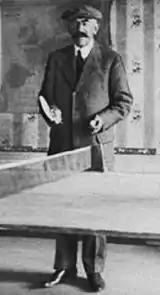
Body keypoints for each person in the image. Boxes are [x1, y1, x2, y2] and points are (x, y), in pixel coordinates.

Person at [38, 4, 133, 292]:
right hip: (62, 146)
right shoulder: (56, 59)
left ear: (95, 27)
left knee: (94, 208)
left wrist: (102, 120)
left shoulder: (110, 59)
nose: (80, 28)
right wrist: (50, 112)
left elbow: (123, 102)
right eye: (75, 22)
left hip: (96, 147)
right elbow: (45, 96)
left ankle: (94, 270)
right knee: (62, 207)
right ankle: (64, 268)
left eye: (86, 22)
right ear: (68, 27)